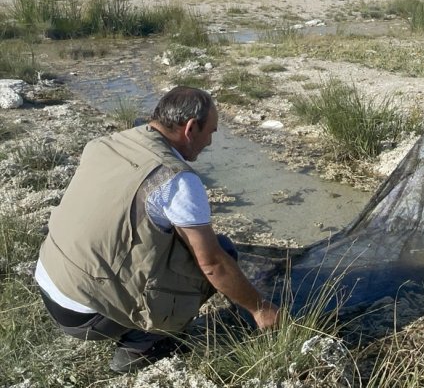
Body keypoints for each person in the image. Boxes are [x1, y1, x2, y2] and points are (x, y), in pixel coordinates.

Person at [34, 86, 279, 373]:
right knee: (223, 251)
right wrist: (261, 309)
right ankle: (142, 343)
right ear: (190, 128)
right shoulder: (176, 178)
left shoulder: (106, 143)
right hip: (86, 315)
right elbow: (212, 264)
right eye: (210, 132)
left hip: (49, 283)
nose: (210, 142)